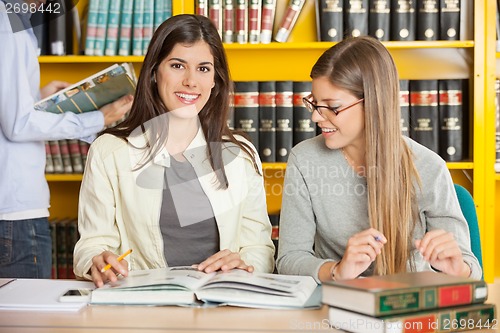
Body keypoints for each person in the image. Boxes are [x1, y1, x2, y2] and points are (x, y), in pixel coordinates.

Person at [73, 14, 275, 287]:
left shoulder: (240, 154)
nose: (192, 81)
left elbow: (259, 248)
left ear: (215, 80)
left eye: (203, 69)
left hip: (222, 303)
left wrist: (245, 266)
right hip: (142, 303)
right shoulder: (109, 151)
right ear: (155, 72)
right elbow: (92, 243)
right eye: (178, 65)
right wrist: (96, 260)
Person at [276, 36, 482, 283]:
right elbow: (289, 258)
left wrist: (458, 268)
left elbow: (470, 266)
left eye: (332, 107)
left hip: (408, 307)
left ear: (372, 103)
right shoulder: (304, 160)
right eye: (315, 103)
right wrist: (337, 270)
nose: (316, 117)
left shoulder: (429, 167)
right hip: (334, 305)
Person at [0, 0, 133, 279]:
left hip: (11, 210)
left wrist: (37, 97)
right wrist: (98, 119)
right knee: (25, 321)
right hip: (14, 212)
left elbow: (11, 111)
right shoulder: (8, 26)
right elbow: (18, 124)